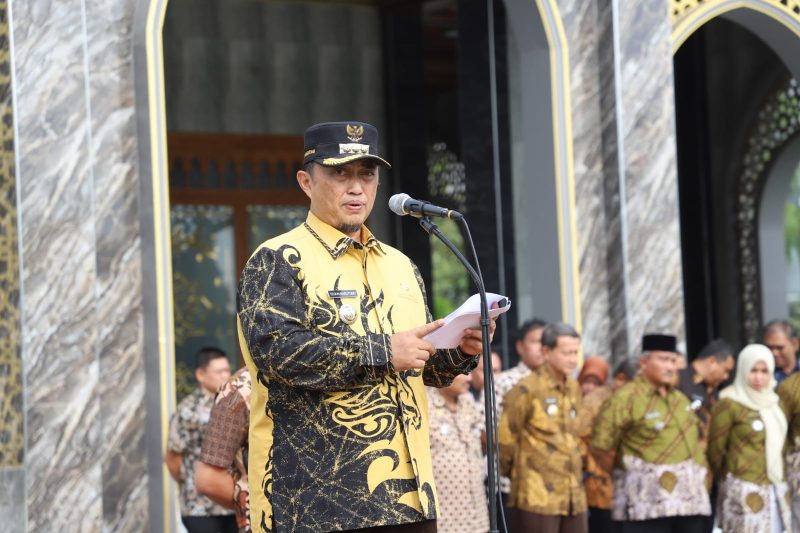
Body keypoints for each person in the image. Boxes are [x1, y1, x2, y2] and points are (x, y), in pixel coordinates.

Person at [236, 121, 493, 532]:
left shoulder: (401, 265)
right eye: (340, 174)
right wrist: (384, 351)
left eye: (367, 175)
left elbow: (422, 368)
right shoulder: (276, 259)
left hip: (410, 496)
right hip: (319, 503)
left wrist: (461, 349)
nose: (356, 188)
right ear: (306, 182)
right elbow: (278, 354)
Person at [590, 334, 711, 533]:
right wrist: (631, 474)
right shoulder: (625, 399)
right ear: (644, 362)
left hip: (689, 503)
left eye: (673, 361)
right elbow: (600, 447)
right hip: (645, 507)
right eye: (663, 360)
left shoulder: (680, 400)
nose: (670, 367)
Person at [499, 322, 587, 533]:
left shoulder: (573, 386)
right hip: (537, 495)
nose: (573, 359)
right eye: (566, 353)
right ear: (546, 351)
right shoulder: (526, 389)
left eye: (575, 353)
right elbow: (505, 441)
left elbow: (577, 434)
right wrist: (521, 476)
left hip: (573, 495)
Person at [708, 344, 790, 532]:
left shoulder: (775, 404)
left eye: (764, 371)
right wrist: (731, 476)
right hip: (742, 489)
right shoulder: (729, 403)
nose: (758, 378)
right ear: (743, 369)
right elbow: (716, 451)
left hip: (775, 487)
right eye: (753, 370)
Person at [165, 347, 236, 533]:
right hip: (199, 507)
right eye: (219, 372)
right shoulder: (187, 410)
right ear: (201, 375)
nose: (225, 376)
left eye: (227, 370)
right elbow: (173, 457)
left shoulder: (236, 404)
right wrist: (192, 481)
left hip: (233, 502)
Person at [426, 374, 490, 533]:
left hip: (477, 513)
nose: (469, 378)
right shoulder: (424, 402)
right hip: (445, 517)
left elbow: (481, 440)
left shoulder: (468, 401)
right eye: (463, 372)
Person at [196, 367, 252, 533]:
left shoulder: (320, 377)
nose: (224, 374)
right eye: (218, 371)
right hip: (264, 523)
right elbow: (208, 479)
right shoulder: (238, 390)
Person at [575, 357, 615, 533]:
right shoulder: (570, 401)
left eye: (596, 383)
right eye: (586, 382)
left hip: (603, 482)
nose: (590, 388)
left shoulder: (607, 404)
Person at [676, 338, 735, 448]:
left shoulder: (713, 390)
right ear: (712, 362)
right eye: (725, 370)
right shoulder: (678, 380)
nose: (726, 377)